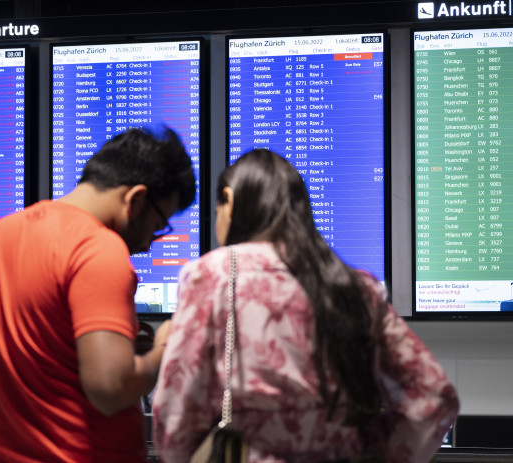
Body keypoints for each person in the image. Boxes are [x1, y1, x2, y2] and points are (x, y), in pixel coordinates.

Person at [152, 149, 459, 462]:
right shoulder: (356, 286)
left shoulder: (212, 275)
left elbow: (177, 413)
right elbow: (434, 397)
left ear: (229, 201)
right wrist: (371, 449)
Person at [0, 127, 196, 463]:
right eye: (160, 225)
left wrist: (51, 368)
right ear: (135, 199)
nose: (150, 242)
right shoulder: (99, 250)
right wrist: (165, 347)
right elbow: (110, 389)